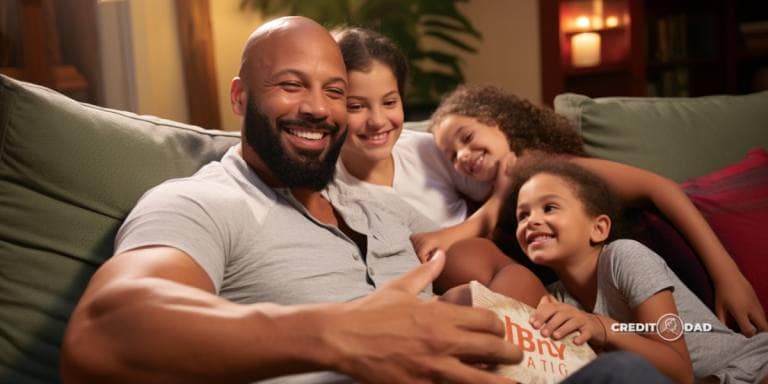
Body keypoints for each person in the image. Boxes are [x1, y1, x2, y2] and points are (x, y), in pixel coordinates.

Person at [58, 16, 525, 384]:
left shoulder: (377, 206)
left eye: (335, 92)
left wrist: (541, 319)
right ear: (240, 97)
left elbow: (492, 267)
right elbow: (99, 333)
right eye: (291, 85)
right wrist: (339, 334)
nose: (318, 108)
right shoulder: (201, 202)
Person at [422, 84, 768, 336]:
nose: (462, 156)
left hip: (671, 267)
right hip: (606, 312)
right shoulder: (498, 210)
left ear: (499, 122)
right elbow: (435, 247)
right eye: (451, 156)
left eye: (466, 137)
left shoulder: (556, 171)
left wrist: (728, 276)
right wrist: (499, 196)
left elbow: (661, 187)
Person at [507, 159, 768, 383]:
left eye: (549, 208)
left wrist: (603, 328)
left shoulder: (624, 257)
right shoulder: (557, 302)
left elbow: (679, 371)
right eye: (522, 216)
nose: (532, 221)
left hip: (751, 367)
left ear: (598, 228)